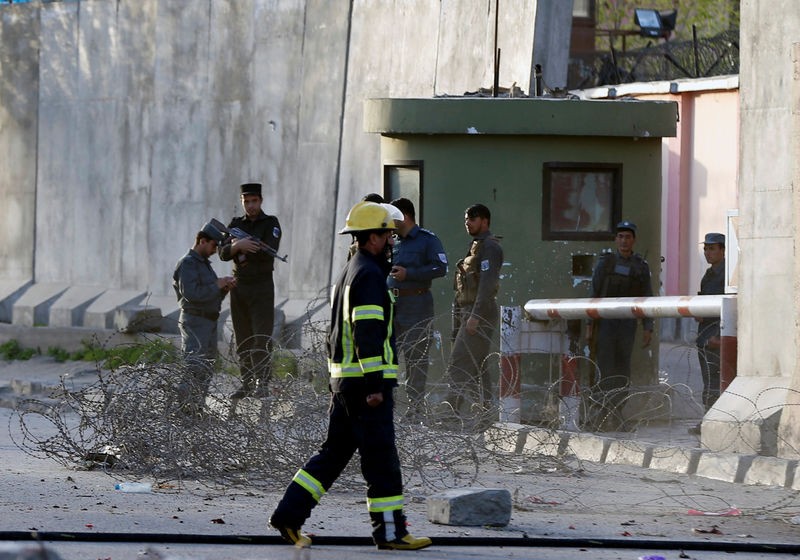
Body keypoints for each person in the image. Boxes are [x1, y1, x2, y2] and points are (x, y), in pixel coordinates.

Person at [269, 201, 431, 551]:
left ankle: (288, 516)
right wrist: (374, 386)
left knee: (333, 454)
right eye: (387, 235)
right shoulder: (370, 275)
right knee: (382, 461)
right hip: (365, 387)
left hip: (346, 384)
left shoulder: (352, 269)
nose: (391, 241)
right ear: (371, 237)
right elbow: (367, 333)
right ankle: (391, 534)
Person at [585, 221, 654, 431]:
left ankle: (617, 413)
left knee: (623, 370)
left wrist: (647, 327)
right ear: (616, 239)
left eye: (628, 237)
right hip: (605, 325)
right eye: (620, 236)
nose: (624, 241)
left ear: (634, 240)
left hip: (627, 326)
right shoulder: (605, 263)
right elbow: (594, 293)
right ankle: (602, 414)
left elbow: (647, 298)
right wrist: (589, 324)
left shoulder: (640, 267)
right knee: (604, 368)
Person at [441, 204, 503, 427]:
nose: (467, 223)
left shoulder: (490, 248)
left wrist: (475, 315)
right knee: (477, 367)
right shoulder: (476, 246)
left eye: (472, 219)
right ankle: (486, 417)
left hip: (479, 312)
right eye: (466, 219)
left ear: (485, 221)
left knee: (459, 362)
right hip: (466, 310)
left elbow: (486, 286)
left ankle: (449, 415)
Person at [218, 182, 282, 399]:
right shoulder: (235, 224)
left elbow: (268, 251)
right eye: (247, 201)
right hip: (239, 286)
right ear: (242, 202)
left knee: (261, 338)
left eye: (254, 201)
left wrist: (244, 246)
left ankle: (262, 382)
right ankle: (246, 382)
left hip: (262, 287)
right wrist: (237, 247)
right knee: (243, 337)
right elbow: (222, 252)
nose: (251, 206)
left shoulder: (270, 223)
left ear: (261, 201)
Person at [388, 197, 447, 420]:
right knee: (389, 357)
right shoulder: (394, 242)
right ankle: (388, 405)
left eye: (394, 217)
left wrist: (409, 274)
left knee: (416, 359)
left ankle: (415, 410)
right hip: (393, 306)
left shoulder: (427, 240)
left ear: (404, 216)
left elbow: (440, 267)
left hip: (417, 306)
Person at [173, 221, 236, 414]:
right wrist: (217, 285)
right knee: (194, 367)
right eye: (213, 245)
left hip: (207, 321)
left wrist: (223, 289)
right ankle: (183, 410)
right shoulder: (188, 264)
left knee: (206, 368)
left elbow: (209, 296)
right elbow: (191, 294)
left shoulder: (204, 265)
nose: (214, 250)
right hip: (195, 321)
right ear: (202, 240)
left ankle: (196, 407)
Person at [689, 232, 725, 435]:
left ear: (722, 250)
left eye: (712, 248)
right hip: (705, 336)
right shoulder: (709, 274)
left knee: (715, 381)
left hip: (716, 337)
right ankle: (709, 419)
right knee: (708, 381)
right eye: (705, 249)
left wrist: (720, 337)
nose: (707, 252)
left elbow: (730, 306)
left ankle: (714, 423)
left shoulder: (726, 275)